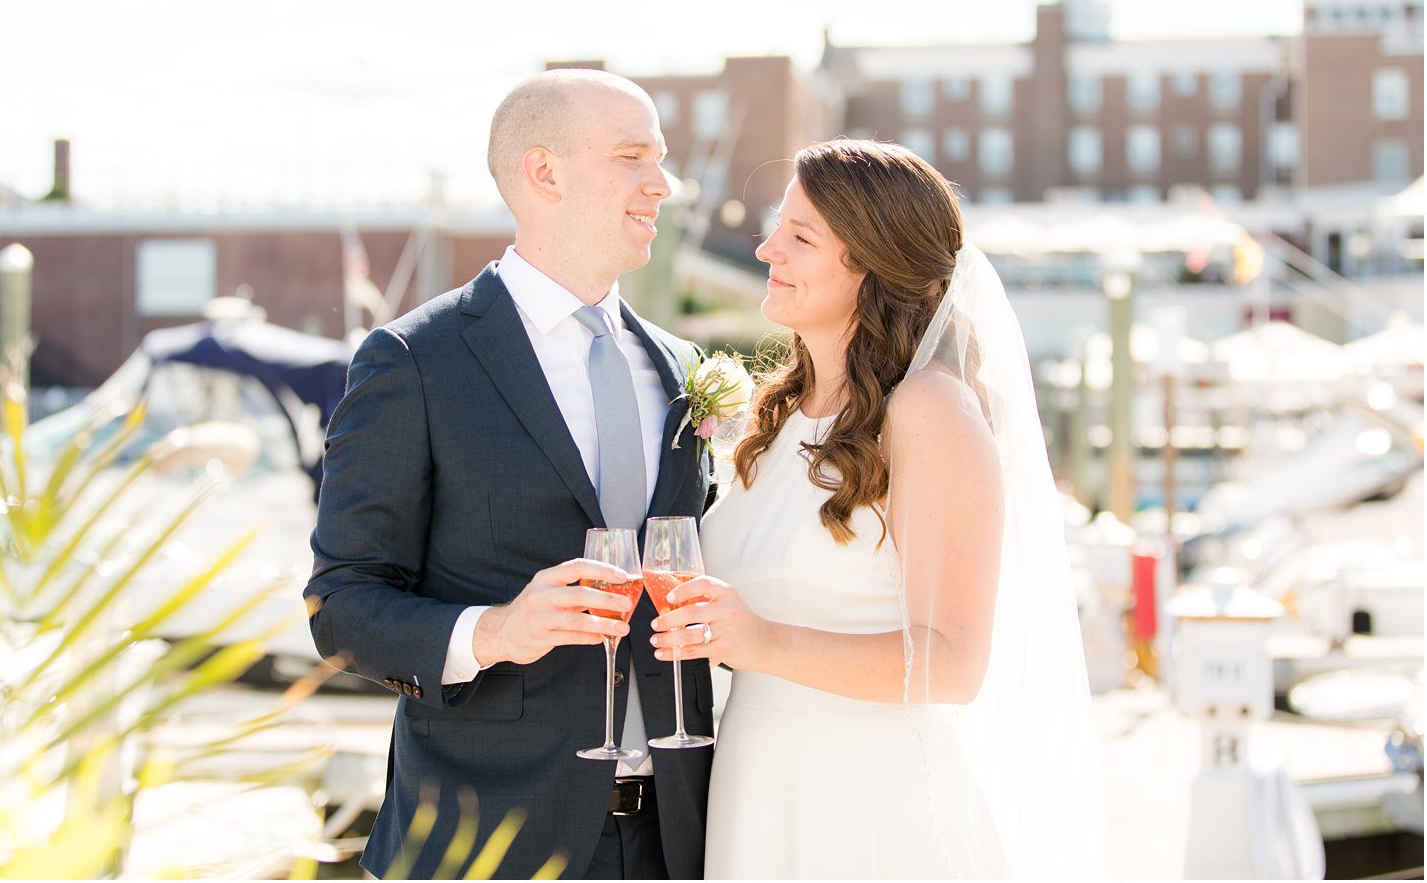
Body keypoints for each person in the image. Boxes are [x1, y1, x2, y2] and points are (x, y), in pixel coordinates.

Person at [651, 139, 1106, 878]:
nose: (767, 248)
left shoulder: (929, 411)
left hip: (872, 805)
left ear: (875, 266)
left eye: (800, 237)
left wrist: (760, 640)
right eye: (778, 227)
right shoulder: (781, 413)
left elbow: (953, 664)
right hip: (756, 784)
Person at [305, 69, 715, 880]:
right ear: (544, 172)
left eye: (660, 159)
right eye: (632, 156)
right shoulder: (415, 361)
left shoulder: (682, 368)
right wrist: (493, 632)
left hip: (676, 838)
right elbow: (341, 601)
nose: (660, 185)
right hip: (484, 838)